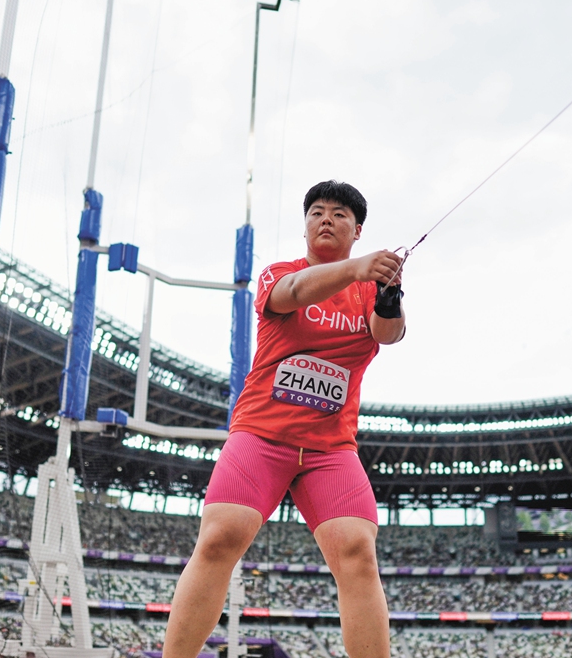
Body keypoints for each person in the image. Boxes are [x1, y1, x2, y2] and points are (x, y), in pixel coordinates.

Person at [163, 181, 406, 658]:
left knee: (358, 552)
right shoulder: (281, 273)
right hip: (262, 435)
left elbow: (389, 335)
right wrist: (356, 268)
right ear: (305, 227)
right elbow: (292, 294)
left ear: (357, 230)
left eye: (339, 214)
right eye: (317, 212)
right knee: (219, 537)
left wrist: (388, 296)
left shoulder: (366, 288)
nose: (326, 220)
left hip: (330, 448)